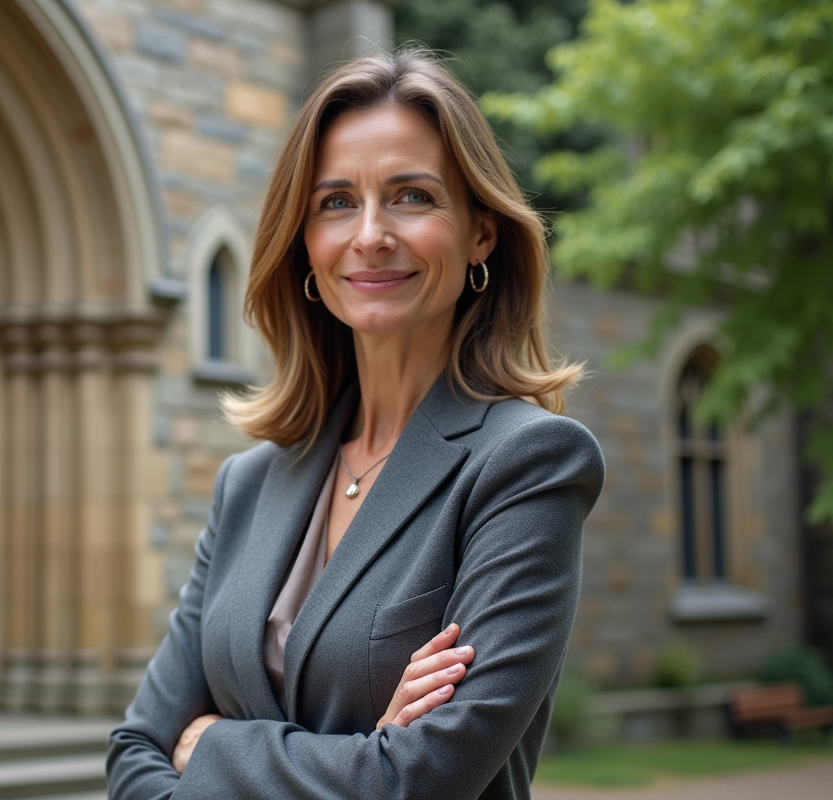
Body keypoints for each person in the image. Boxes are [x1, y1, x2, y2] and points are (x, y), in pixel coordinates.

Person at [107, 49, 605, 800]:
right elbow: (133, 756)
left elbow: (420, 779)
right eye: (336, 202)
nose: (370, 234)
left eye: (412, 196)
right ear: (305, 242)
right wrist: (364, 754)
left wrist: (210, 746)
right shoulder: (249, 483)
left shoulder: (530, 462)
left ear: (481, 234)